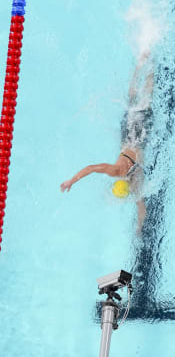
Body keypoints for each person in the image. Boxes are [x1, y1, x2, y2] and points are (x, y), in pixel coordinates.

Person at [60, 52, 153, 230]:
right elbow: (93, 168)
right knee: (133, 98)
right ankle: (140, 65)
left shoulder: (132, 180)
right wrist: (71, 181)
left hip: (139, 136)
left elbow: (141, 207)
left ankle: (149, 70)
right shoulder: (115, 171)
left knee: (146, 98)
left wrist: (140, 228)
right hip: (128, 135)